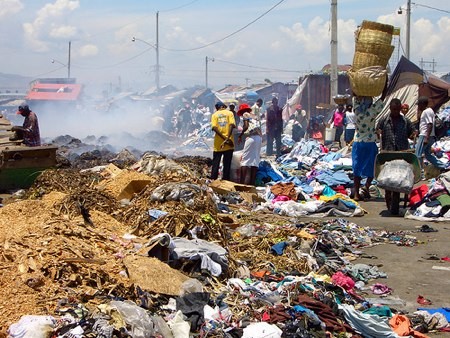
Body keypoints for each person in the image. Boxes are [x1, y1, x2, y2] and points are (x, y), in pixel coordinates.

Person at [376, 98, 415, 213]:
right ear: (390, 109)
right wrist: (378, 132)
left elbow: (411, 132)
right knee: (387, 179)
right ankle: (388, 198)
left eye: (397, 110)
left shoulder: (405, 121)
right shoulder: (384, 120)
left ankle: (396, 201)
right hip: (388, 152)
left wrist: (414, 134)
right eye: (393, 109)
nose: (395, 112)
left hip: (402, 153)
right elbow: (377, 129)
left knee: (400, 178)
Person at [352, 96, 383, 201]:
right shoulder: (373, 110)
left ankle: (356, 193)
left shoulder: (357, 110)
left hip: (358, 142)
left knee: (357, 168)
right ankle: (366, 186)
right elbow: (382, 98)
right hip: (370, 143)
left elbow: (355, 95)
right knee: (372, 167)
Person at [415, 96, 446, 170]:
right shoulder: (429, 111)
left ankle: (420, 173)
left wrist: (426, 137)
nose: (418, 106)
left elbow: (430, 124)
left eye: (419, 105)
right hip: (429, 136)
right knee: (428, 155)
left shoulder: (427, 111)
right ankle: (443, 166)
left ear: (422, 104)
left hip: (424, 136)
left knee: (417, 155)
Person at [237, 103, 262, 185]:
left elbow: (246, 126)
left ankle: (242, 183)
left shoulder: (245, 114)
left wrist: (240, 135)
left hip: (251, 137)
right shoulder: (254, 115)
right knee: (255, 160)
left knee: (245, 160)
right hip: (259, 138)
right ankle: (252, 183)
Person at [210, 101, 236, 180]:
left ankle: (213, 179)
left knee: (216, 163)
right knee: (227, 164)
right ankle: (226, 180)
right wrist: (227, 138)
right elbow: (232, 125)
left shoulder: (214, 115)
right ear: (224, 106)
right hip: (229, 143)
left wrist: (224, 138)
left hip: (218, 144)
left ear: (218, 107)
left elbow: (214, 128)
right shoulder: (230, 113)